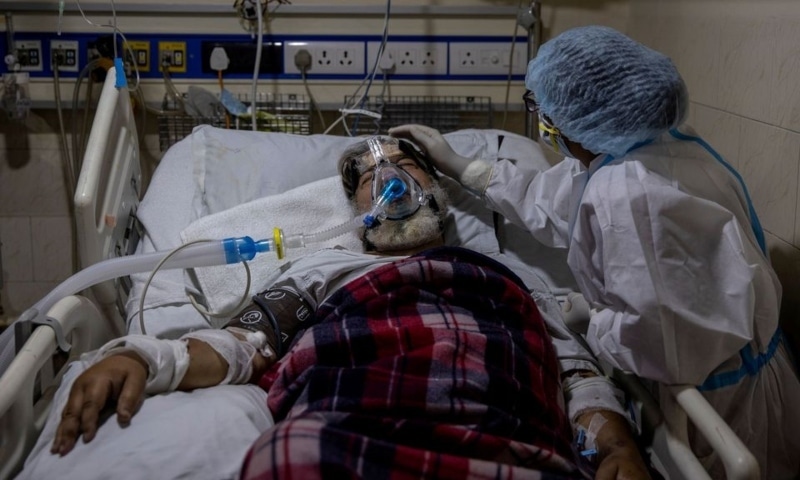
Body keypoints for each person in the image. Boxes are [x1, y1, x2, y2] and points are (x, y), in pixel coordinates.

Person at [44, 136, 652, 480]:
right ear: (358, 212)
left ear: (435, 186)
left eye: (405, 163)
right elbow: (240, 345)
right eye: (368, 175)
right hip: (345, 430)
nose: (387, 174)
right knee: (289, 456)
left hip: (507, 435)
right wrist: (147, 360)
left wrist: (618, 447)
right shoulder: (321, 270)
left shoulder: (508, 275)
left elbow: (577, 375)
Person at [389, 25, 800, 479]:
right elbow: (558, 200)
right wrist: (467, 169)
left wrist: (594, 319)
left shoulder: (628, 196)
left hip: (726, 408)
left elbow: (657, 345)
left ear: (577, 117)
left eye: (540, 107)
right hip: (734, 376)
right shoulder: (649, 148)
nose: (541, 117)